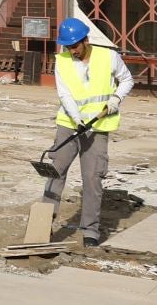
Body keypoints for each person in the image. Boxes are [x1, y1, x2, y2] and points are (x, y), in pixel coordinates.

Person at [41, 17, 134, 246]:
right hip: (69, 125)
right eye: (67, 46)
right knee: (55, 172)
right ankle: (42, 226)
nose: (71, 50)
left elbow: (127, 80)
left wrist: (115, 99)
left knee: (92, 179)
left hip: (99, 128)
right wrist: (78, 119)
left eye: (74, 46)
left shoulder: (108, 56)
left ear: (85, 40)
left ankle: (90, 231)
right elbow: (65, 94)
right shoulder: (61, 61)